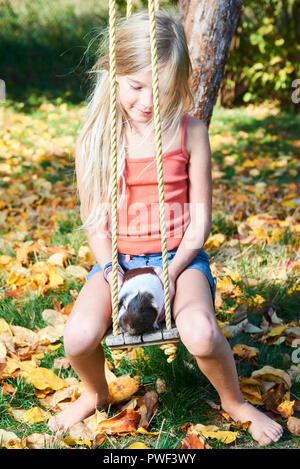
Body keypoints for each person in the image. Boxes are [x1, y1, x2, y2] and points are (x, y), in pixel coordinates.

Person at [48, 9, 283, 446]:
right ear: (112, 73)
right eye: (137, 87)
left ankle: (233, 401)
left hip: (181, 257)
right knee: (78, 336)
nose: (148, 102)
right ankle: (95, 391)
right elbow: (96, 226)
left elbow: (200, 223)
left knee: (201, 332)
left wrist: (171, 274)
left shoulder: (190, 133)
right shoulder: (95, 139)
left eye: (162, 89)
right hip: (117, 261)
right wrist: (114, 274)